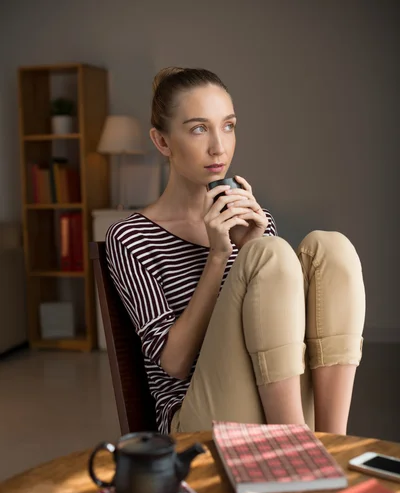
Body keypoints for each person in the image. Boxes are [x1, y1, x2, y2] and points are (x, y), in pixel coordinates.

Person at [106, 67, 366, 436]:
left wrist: (251, 246)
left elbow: (285, 341)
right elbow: (175, 363)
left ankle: (334, 445)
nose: (219, 146)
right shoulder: (131, 236)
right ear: (162, 142)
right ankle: (299, 455)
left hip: (273, 399)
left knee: (332, 247)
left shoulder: (255, 223)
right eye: (198, 129)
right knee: (270, 255)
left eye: (227, 126)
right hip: (194, 418)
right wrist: (219, 256)